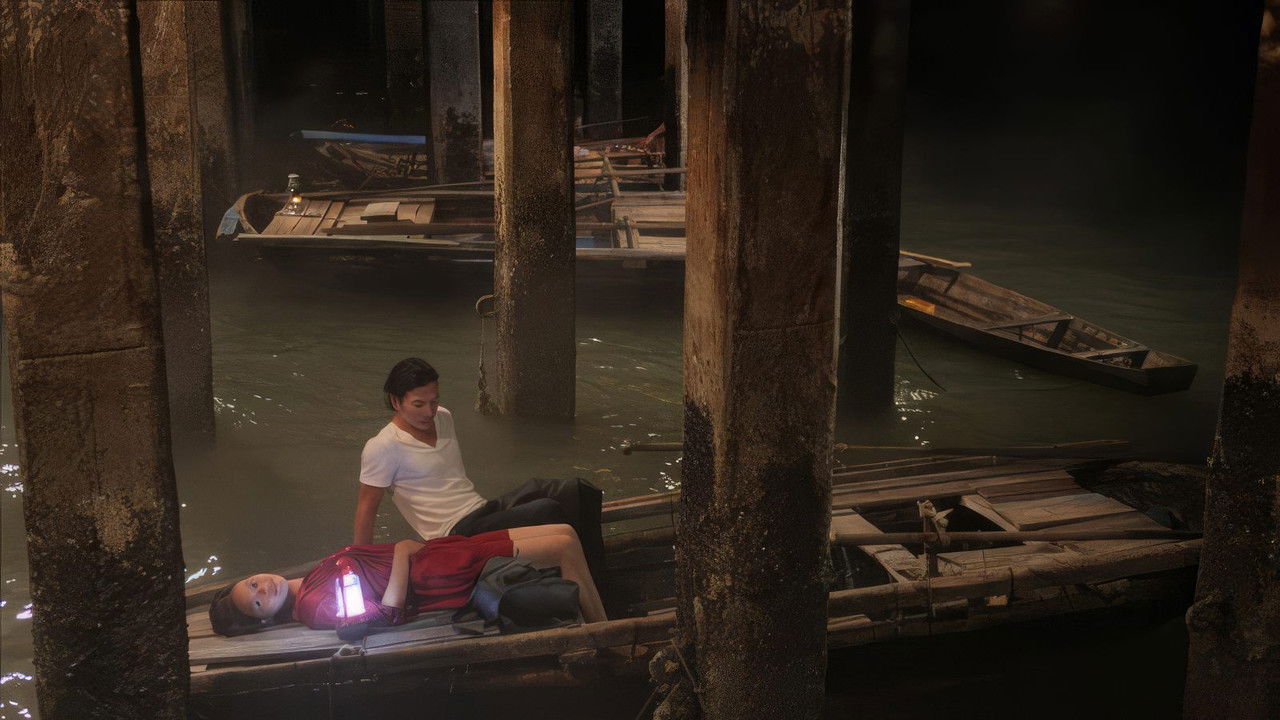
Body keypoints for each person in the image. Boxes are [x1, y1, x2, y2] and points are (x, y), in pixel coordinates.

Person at [353, 359, 605, 583]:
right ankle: (588, 586)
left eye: (434, 401)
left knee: (578, 490)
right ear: (395, 401)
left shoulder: (443, 417)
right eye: (418, 404)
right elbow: (366, 510)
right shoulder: (383, 447)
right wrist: (363, 570)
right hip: (454, 532)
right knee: (546, 509)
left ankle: (596, 575)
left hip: (480, 510)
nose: (429, 412)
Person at [208, 524, 606, 636]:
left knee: (567, 533)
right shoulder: (314, 607)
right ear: (265, 618)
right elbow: (387, 614)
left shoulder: (305, 582)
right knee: (562, 548)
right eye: (257, 601)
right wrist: (401, 551)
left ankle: (601, 616)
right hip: (437, 574)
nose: (264, 588)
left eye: (252, 583)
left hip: (436, 554)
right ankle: (606, 631)